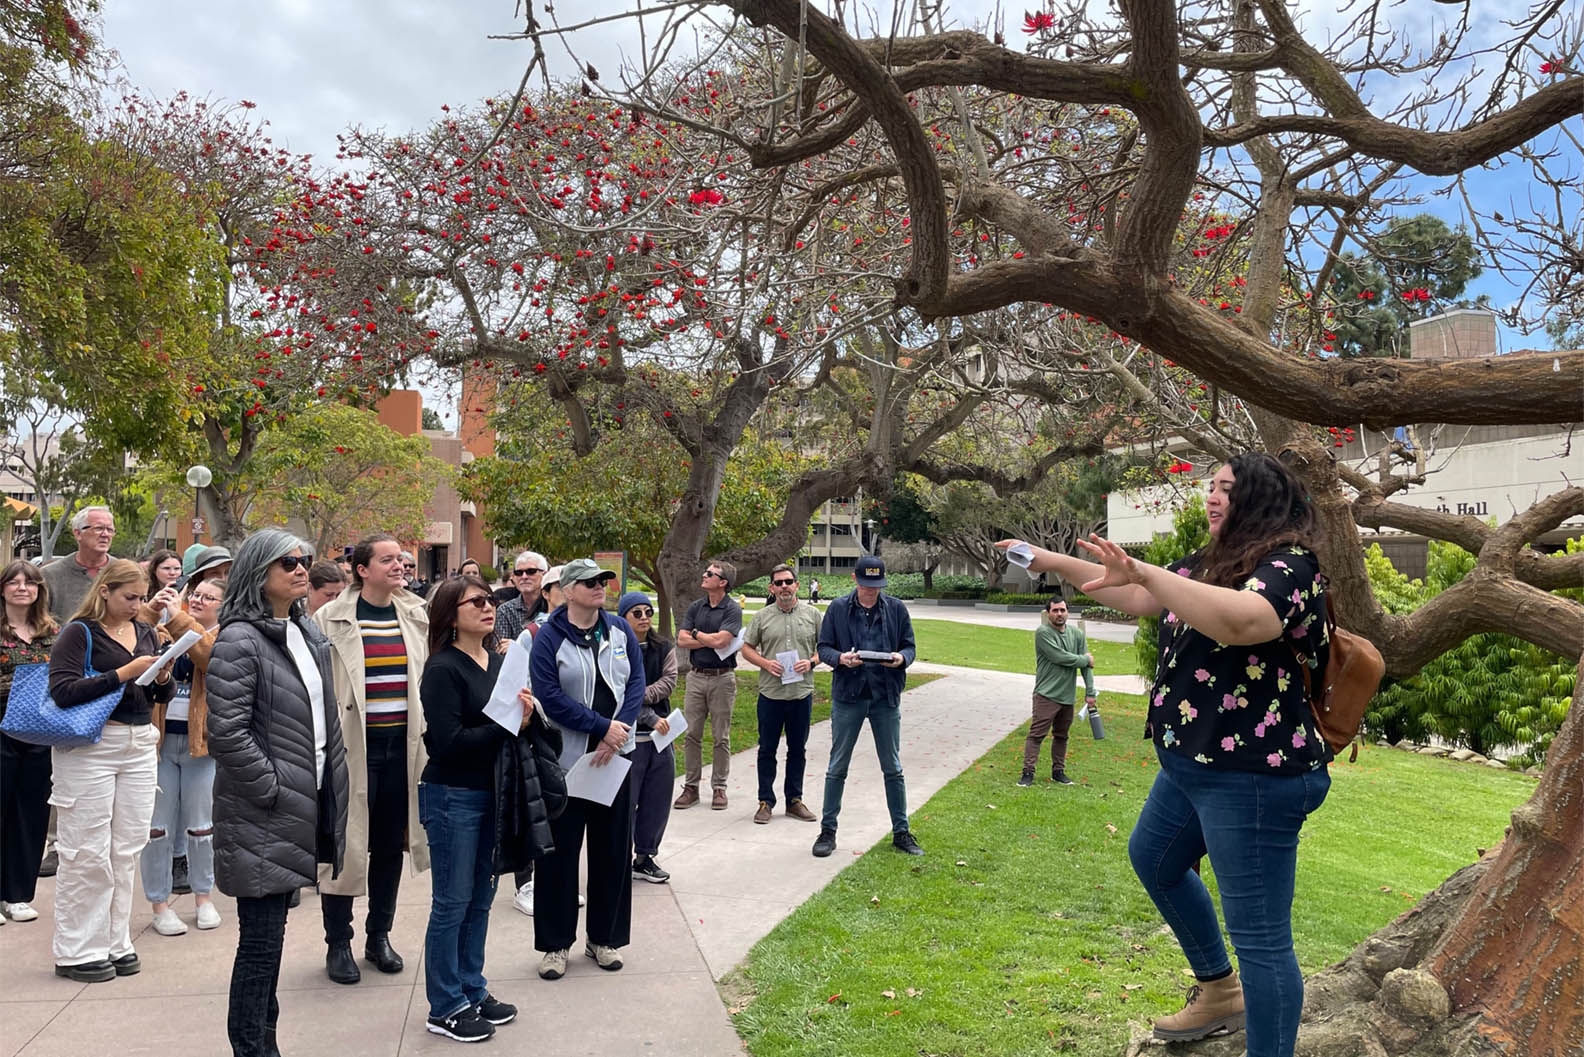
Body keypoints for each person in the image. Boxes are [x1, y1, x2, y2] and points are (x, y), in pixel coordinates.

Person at [999, 452, 1332, 1057]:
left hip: (1252, 776)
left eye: (1226, 489)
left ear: (1259, 499)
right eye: (1210, 487)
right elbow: (1135, 592)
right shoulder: (1213, 562)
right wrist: (1044, 559)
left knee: (1261, 939)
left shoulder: (1291, 566)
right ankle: (1219, 991)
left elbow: (1245, 622)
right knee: (1155, 860)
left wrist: (1151, 576)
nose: (1211, 498)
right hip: (1192, 766)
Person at [208, 529, 350, 1057]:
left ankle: (264, 1043)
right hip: (263, 810)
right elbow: (227, 732)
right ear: (256, 571)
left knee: (271, 943)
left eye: (304, 561)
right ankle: (253, 1048)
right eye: (287, 561)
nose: (300, 569)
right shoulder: (238, 639)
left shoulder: (304, 631)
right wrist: (272, 787)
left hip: (301, 805)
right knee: (261, 945)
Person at [417, 575, 534, 1043]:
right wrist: (510, 723)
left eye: (490, 600)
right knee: (452, 902)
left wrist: (526, 715)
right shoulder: (443, 668)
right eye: (477, 602)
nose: (489, 607)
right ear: (451, 614)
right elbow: (447, 743)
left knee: (482, 898)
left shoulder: (496, 660)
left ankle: (471, 987)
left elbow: (505, 724)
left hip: (493, 793)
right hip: (452, 796)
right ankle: (444, 1005)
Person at [46, 559, 173, 982]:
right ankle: (77, 949)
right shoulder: (78, 632)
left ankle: (116, 940)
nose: (137, 606)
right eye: (129, 597)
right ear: (104, 591)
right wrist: (123, 673)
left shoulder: (146, 630)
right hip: (90, 747)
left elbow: (157, 693)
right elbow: (62, 692)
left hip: (138, 743)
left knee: (126, 847)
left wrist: (162, 675)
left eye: (141, 598)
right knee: (86, 849)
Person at [313, 533, 430, 985]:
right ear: (362, 570)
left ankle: (378, 935)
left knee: (388, 847)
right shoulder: (329, 618)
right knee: (342, 847)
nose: (399, 565)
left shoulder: (415, 615)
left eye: (401, 559)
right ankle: (337, 942)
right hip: (350, 751)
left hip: (402, 749)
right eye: (388, 560)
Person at [528, 559, 643, 979]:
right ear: (568, 589)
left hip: (615, 759)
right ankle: (555, 945)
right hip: (568, 761)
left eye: (603, 581)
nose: (600, 588)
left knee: (613, 850)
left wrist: (619, 730)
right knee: (558, 856)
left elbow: (635, 683)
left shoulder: (619, 630)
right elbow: (549, 695)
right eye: (590, 583)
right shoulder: (549, 637)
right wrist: (599, 728)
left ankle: (604, 938)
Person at [812, 556, 920, 858]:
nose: (871, 591)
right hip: (850, 694)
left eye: (876, 586)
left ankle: (901, 831)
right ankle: (827, 831)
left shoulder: (896, 608)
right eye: (866, 585)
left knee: (893, 768)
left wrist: (901, 658)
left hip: (885, 696)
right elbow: (823, 647)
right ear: (854, 580)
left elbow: (909, 646)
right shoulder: (837, 609)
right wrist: (840, 659)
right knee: (837, 766)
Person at [139, 576, 227, 935]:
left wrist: (177, 619)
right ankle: (159, 904)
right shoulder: (164, 630)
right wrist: (152, 607)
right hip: (159, 744)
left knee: (201, 825)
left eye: (210, 598)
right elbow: (133, 634)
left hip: (200, 747)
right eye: (196, 595)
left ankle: (203, 896)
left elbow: (208, 657)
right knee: (156, 829)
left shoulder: (224, 635)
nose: (200, 601)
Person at [0, 560, 59, 924]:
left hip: (39, 728)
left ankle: (17, 893)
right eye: (14, 582)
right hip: (1, 722)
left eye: (30, 582)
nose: (22, 587)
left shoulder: (52, 630)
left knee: (31, 810)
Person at [740, 564, 822, 825]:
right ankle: (766, 801)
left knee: (797, 749)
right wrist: (765, 663)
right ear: (771, 588)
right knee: (767, 749)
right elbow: (747, 648)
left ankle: (794, 800)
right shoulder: (762, 617)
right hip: (771, 694)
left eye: (788, 582)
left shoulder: (813, 615)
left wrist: (811, 662)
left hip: (801, 693)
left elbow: (827, 647)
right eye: (779, 583)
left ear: (797, 585)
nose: (784, 586)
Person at [671, 559, 742, 811]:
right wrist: (706, 639)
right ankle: (691, 787)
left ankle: (719, 787)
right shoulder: (695, 607)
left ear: (722, 583)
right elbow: (681, 639)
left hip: (723, 678)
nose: (704, 575)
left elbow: (723, 642)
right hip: (696, 676)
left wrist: (696, 634)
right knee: (692, 734)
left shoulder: (732, 609)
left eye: (710, 574)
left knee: (720, 736)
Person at [617, 591, 677, 883]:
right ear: (623, 617)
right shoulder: (615, 648)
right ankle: (617, 856)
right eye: (636, 613)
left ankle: (645, 857)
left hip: (661, 738)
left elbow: (670, 680)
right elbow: (620, 690)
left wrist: (643, 696)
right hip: (629, 738)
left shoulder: (663, 646)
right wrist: (649, 715)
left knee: (658, 799)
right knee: (626, 801)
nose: (644, 618)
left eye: (648, 612)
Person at [1019, 597, 1097, 787]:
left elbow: (1087, 668)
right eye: (1055, 610)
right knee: (1036, 735)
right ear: (1048, 613)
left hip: (1067, 696)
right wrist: (1085, 659)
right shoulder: (1043, 633)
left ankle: (1058, 772)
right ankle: (1028, 773)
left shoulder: (1077, 635)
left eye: (1062, 610)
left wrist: (1090, 692)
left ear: (1067, 612)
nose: (1059, 614)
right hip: (1046, 694)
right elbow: (1060, 657)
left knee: (1062, 736)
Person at [42, 505, 117, 622]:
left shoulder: (123, 572)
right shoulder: (50, 574)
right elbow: (39, 619)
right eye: (98, 528)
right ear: (77, 533)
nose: (105, 534)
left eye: (110, 530)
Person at [495, 550, 550, 646]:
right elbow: (501, 651)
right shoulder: (505, 611)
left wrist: (516, 646)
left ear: (545, 575)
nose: (524, 577)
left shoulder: (554, 606)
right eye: (519, 573)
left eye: (531, 571)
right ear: (514, 578)